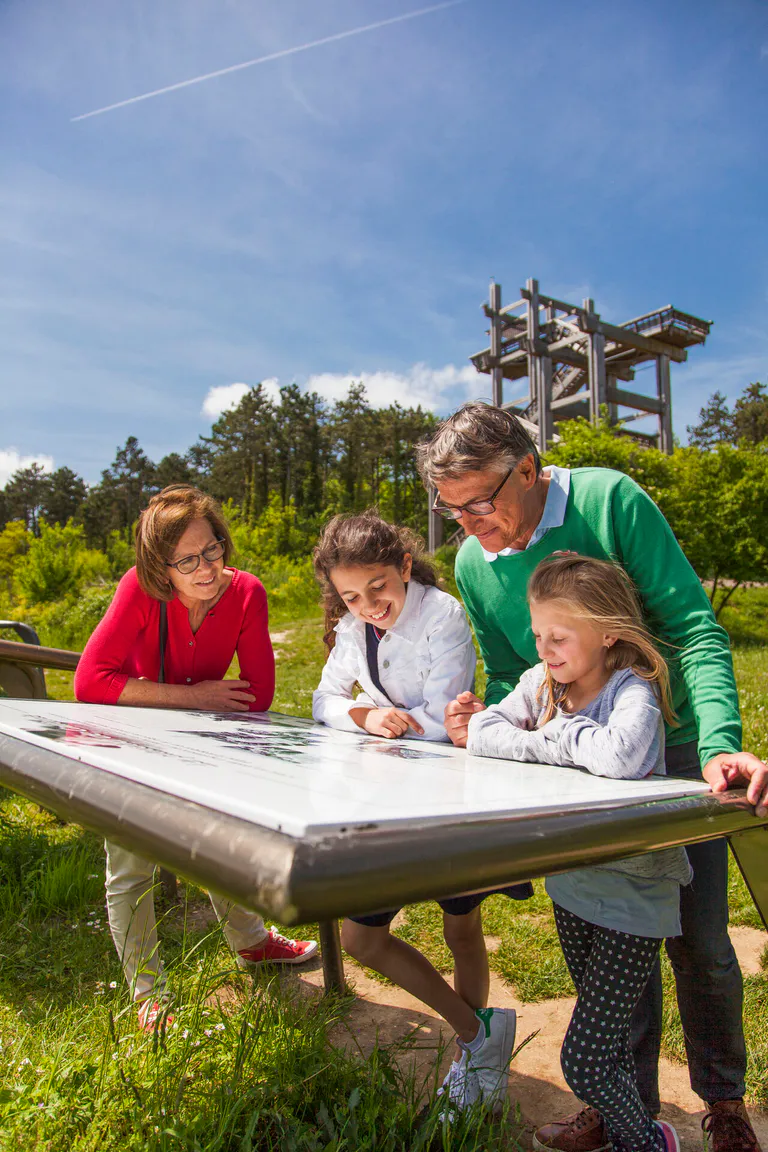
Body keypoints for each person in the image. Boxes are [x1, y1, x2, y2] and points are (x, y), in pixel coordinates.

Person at [417, 402, 766, 1152]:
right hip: (576, 771)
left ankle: (723, 1101)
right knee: (607, 934)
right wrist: (493, 716)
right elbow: (517, 670)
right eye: (454, 512)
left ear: (530, 469)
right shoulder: (477, 563)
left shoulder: (610, 502)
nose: (472, 526)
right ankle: (624, 1107)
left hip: (671, 756)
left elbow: (696, 629)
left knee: (698, 941)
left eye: (483, 502)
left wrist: (721, 742)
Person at [75, 484, 317, 1030]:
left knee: (223, 845)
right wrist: (197, 695)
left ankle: (252, 944)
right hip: (136, 742)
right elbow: (90, 680)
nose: (206, 568)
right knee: (132, 866)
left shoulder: (248, 592)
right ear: (160, 567)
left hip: (211, 744)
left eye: (212, 550)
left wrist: (197, 697)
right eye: (187, 559)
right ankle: (147, 992)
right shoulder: (138, 589)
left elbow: (258, 694)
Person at [469, 553, 689, 1152]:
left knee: (585, 1060)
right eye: (539, 636)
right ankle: (619, 1132)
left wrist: (553, 735)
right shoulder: (541, 682)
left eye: (559, 637)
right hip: (571, 887)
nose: (545, 650)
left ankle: (645, 1140)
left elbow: (623, 757)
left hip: (634, 897)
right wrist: (552, 738)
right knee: (609, 1044)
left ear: (608, 630)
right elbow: (482, 732)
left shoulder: (631, 686)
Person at [312, 511, 526, 1114]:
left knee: (462, 927)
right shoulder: (353, 629)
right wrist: (365, 716)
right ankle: (476, 1034)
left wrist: (398, 724)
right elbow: (324, 699)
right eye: (351, 596)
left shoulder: (443, 614)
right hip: (383, 795)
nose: (368, 605)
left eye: (378, 586)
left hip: (448, 795)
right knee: (361, 937)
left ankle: (471, 1064)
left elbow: (445, 720)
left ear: (404, 566)